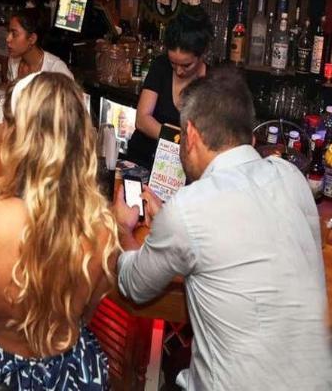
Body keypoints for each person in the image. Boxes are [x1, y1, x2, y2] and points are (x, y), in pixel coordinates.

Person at [114, 67, 332, 390]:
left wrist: (123, 229)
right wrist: (170, 225)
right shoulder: (292, 178)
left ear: (189, 135)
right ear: (250, 137)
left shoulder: (189, 207)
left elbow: (133, 284)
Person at [0, 72, 116, 389]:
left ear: (16, 136)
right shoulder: (103, 231)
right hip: (70, 372)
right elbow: (84, 316)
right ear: (81, 139)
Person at [126, 7, 213, 168]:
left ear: (203, 54)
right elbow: (142, 119)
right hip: (142, 159)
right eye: (173, 63)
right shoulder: (160, 66)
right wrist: (178, 140)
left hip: (182, 170)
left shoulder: (213, 82)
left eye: (186, 65)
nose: (179, 71)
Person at [5, 7, 72, 83]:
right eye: (8, 32)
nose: (7, 39)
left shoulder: (57, 70)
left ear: (32, 39)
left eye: (14, 34)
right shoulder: (13, 61)